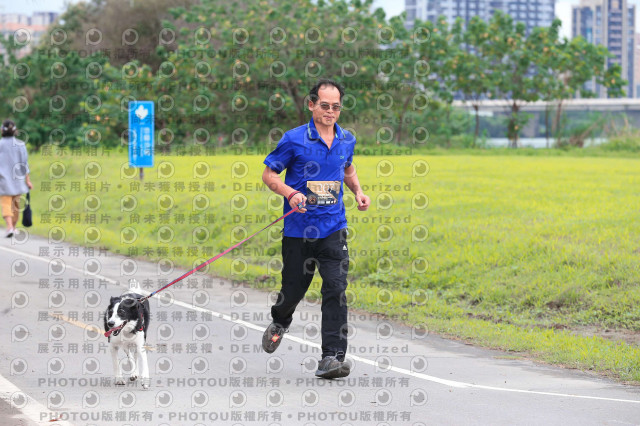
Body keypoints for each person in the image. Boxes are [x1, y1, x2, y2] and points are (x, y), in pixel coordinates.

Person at [261, 79, 370, 379]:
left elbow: (347, 168)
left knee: (336, 288)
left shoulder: (346, 139)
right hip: (299, 231)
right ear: (311, 105)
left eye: (336, 107)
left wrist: (359, 191)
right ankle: (281, 320)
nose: (330, 112)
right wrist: (290, 193)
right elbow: (269, 175)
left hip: (334, 228)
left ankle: (331, 357)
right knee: (292, 291)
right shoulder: (294, 139)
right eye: (324, 106)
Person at [0, 120, 32, 238]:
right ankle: (12, 227)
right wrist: (27, 180)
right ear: (15, 131)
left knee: (6, 204)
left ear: (2, 130)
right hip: (17, 180)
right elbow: (25, 164)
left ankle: (10, 227)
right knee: (16, 205)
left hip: (3, 180)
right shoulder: (20, 144)